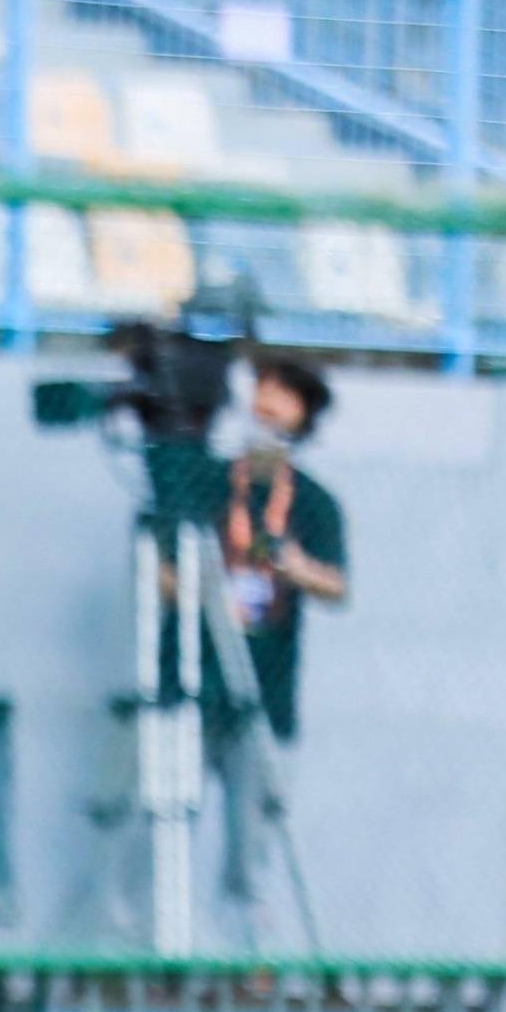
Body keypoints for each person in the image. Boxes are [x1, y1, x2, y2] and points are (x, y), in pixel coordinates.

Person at [210, 357, 347, 917]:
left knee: (254, 841)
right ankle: (150, 959)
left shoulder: (312, 502)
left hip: (266, 694)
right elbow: (161, 572)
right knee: (162, 820)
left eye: (283, 396)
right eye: (262, 390)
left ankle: (245, 959)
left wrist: (289, 565)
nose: (267, 406)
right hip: (193, 684)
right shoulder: (209, 482)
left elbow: (336, 585)